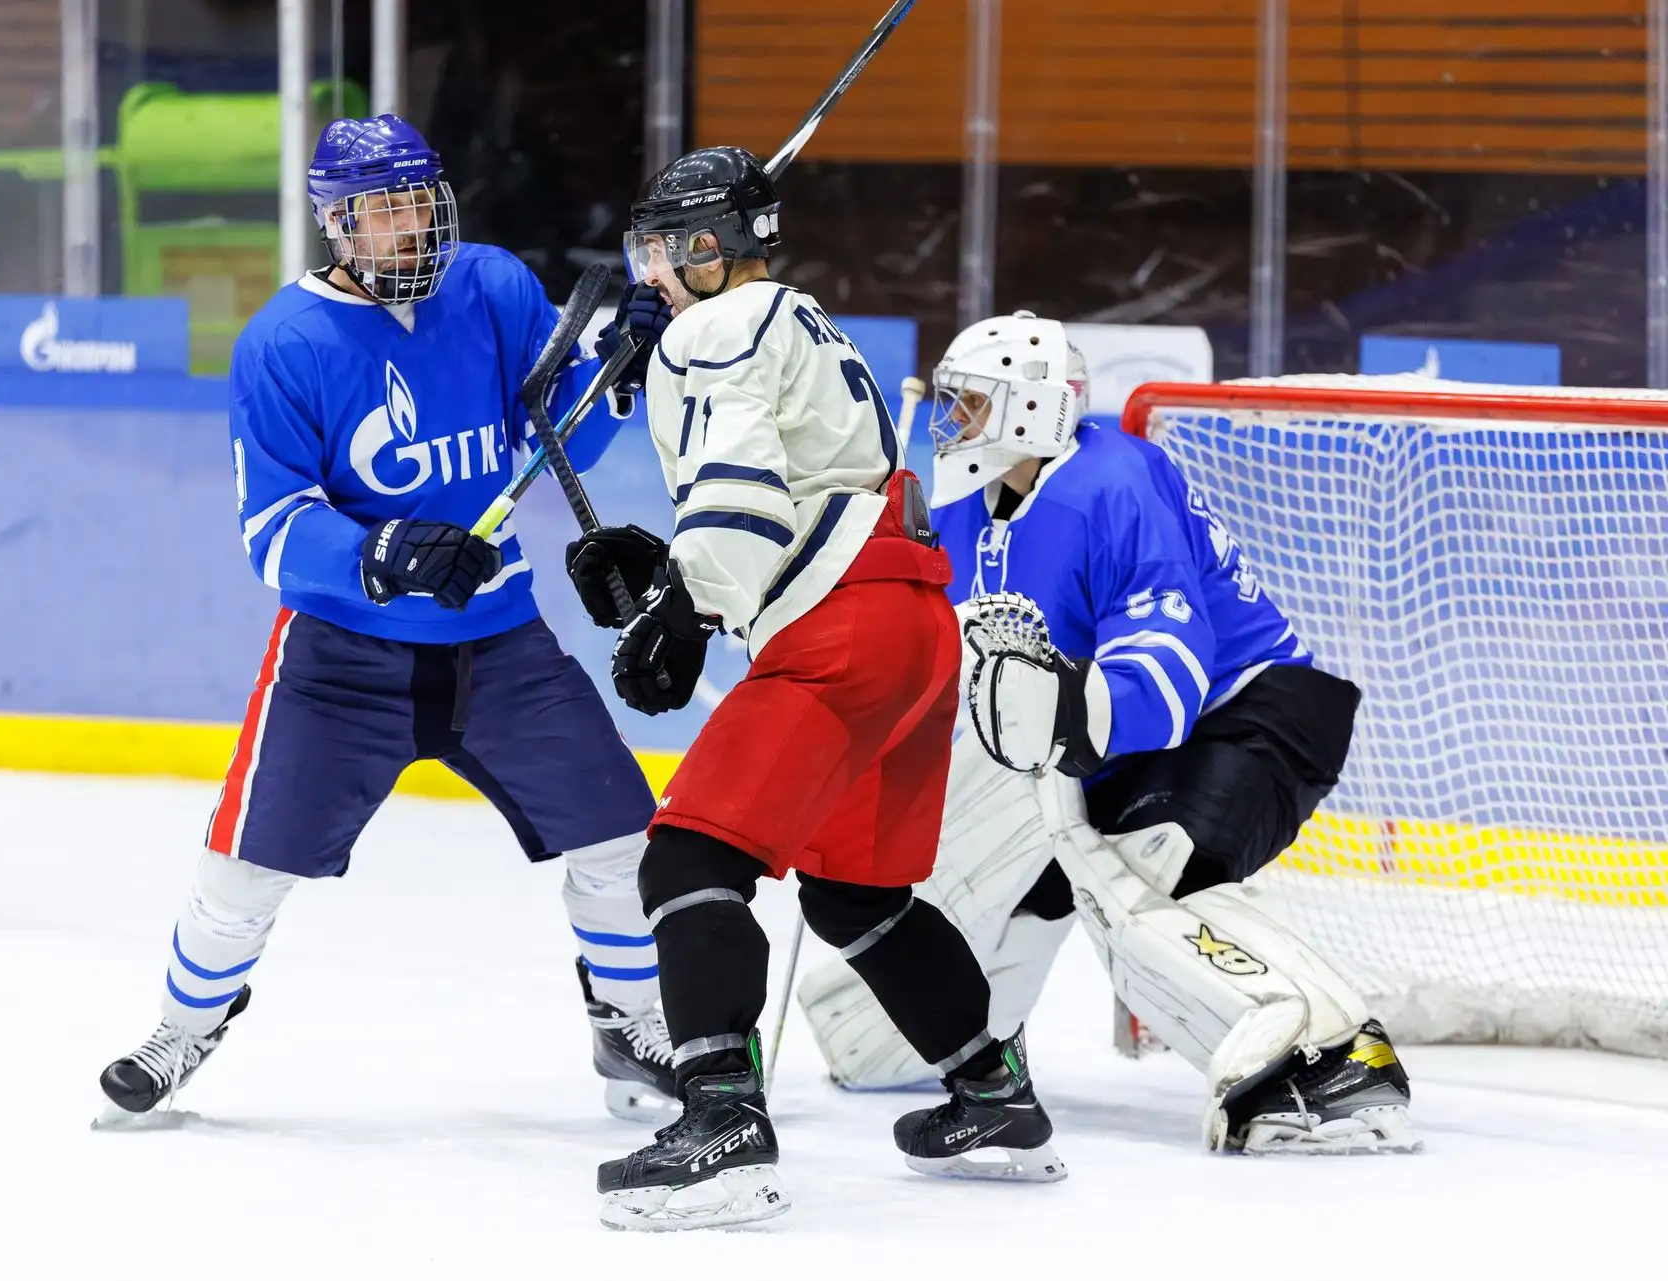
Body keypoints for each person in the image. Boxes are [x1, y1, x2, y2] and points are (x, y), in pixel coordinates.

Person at [96, 114, 678, 1122]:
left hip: (499, 642)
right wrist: (381, 552)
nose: (410, 224)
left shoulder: (491, 286)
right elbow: (272, 531)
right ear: (337, 223)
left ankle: (627, 1027)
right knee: (243, 867)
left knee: (623, 835)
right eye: (383, 209)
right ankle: (183, 1028)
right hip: (342, 660)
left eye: (419, 201)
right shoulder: (285, 343)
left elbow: (568, 431)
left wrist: (625, 364)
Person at [566, 149, 1065, 1233]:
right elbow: (804, 489)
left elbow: (739, 489)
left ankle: (723, 1122)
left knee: (688, 858)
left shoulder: (716, 325)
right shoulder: (798, 318)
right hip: (910, 622)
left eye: (662, 251)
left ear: (708, 247)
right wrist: (674, 579)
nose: (650, 273)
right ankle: (993, 1094)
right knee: (857, 896)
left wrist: (687, 605)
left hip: (842, 633)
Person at [799, 311, 1420, 1156]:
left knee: (1142, 862)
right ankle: (963, 1049)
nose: (954, 420)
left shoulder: (1114, 481)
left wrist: (1065, 711)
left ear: (1030, 406)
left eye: (973, 402)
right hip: (1105, 750)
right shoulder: (963, 506)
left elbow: (1171, 663)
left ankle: (1333, 1052)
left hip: (1247, 712)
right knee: (999, 873)